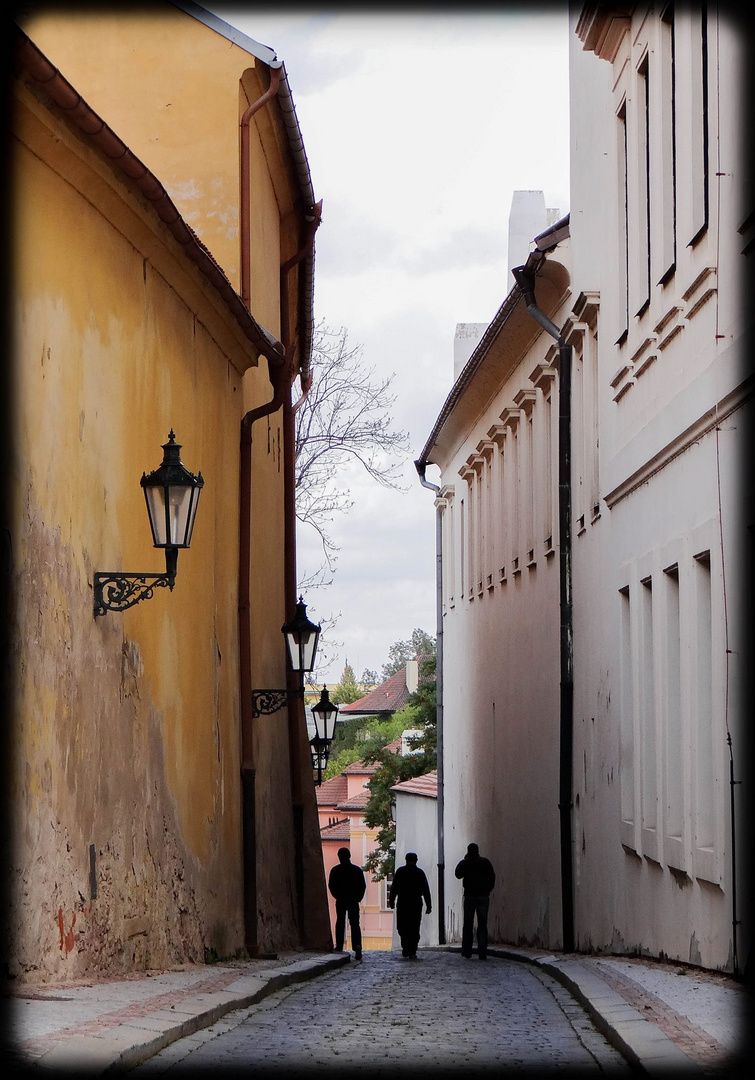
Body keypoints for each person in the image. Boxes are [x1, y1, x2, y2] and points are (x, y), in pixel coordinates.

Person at [454, 842, 495, 960]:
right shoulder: (485, 862)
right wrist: (488, 889)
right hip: (483, 896)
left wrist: (465, 860)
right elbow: (492, 876)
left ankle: (467, 951)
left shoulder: (466, 863)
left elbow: (457, 874)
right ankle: (482, 952)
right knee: (482, 924)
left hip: (470, 896)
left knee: (468, 924)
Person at [388, 852, 432, 959]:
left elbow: (394, 888)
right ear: (416, 860)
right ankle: (412, 949)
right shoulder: (420, 873)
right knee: (414, 927)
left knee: (402, 926)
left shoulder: (400, 872)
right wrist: (428, 905)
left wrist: (392, 901)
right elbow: (426, 890)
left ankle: (406, 945)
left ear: (406, 860)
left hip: (403, 902)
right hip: (416, 903)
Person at [328, 846, 367, 959]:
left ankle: (339, 946)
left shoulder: (335, 870)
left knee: (340, 922)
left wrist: (337, 896)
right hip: (353, 900)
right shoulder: (356, 870)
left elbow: (331, 886)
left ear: (339, 857)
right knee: (355, 923)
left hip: (341, 899)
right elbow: (362, 886)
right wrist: (358, 898)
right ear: (349, 856)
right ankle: (357, 945)